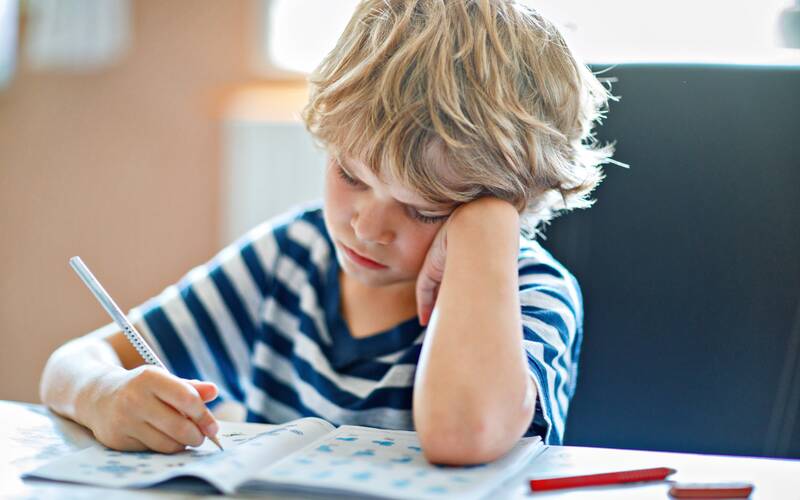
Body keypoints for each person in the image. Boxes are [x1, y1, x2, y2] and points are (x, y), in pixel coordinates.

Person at [40, 0, 615, 465]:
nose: (366, 226)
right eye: (350, 174)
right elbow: (73, 362)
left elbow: (463, 434)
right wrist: (103, 395)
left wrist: (489, 231)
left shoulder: (532, 291)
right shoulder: (293, 255)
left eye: (425, 211)